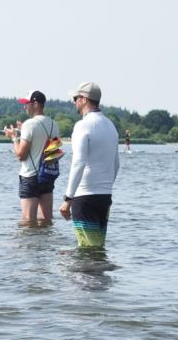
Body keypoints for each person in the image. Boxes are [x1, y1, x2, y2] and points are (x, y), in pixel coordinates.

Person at [59, 82, 120, 248]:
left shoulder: (82, 125)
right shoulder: (110, 126)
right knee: (98, 247)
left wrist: (68, 198)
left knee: (87, 249)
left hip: (84, 197)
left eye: (75, 98)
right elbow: (116, 164)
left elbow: (79, 162)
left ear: (84, 99)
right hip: (105, 196)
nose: (74, 102)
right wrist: (105, 187)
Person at [11, 89, 60, 225]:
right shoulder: (54, 125)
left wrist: (14, 139)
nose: (24, 106)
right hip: (47, 176)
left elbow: (21, 155)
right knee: (46, 221)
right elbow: (53, 153)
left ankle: (31, 247)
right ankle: (46, 247)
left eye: (27, 103)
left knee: (28, 222)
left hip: (30, 177)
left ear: (36, 103)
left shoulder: (29, 124)